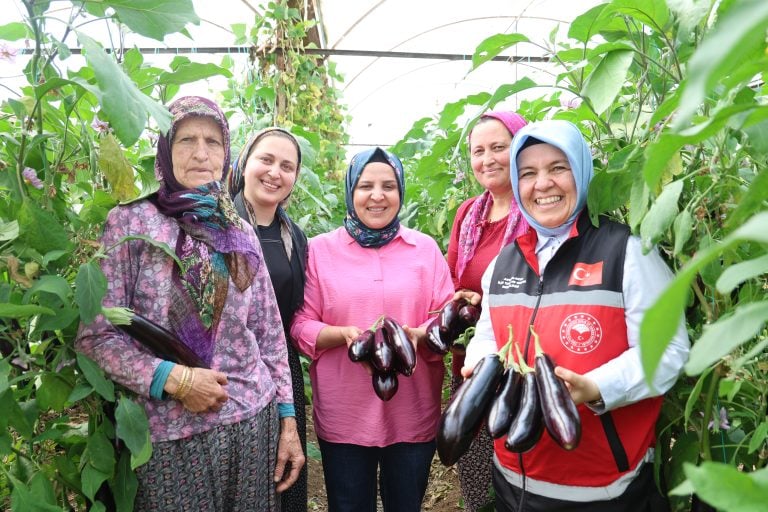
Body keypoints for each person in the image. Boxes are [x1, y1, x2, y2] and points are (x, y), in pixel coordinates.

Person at [76, 96, 305, 511]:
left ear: (227, 152)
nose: (201, 153)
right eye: (186, 140)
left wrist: (288, 421)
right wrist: (175, 380)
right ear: (164, 147)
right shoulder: (131, 223)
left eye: (213, 142)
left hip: (252, 421)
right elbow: (96, 336)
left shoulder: (238, 230)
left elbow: (269, 334)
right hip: (169, 433)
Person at [462, 119, 690, 511]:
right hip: (511, 480)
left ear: (582, 172)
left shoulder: (627, 253)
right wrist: (479, 363)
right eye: (528, 173)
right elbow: (488, 333)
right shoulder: (503, 262)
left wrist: (597, 387)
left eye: (558, 168)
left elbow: (669, 349)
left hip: (603, 493)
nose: (543, 184)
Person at [290, 147, 455, 512]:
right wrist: (343, 335)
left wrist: (419, 335)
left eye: (388, 186)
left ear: (401, 192)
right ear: (351, 191)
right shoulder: (319, 251)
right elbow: (301, 324)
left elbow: (445, 316)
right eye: (366, 186)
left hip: (412, 412)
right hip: (344, 414)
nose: (377, 195)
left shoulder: (424, 249)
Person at [446, 110, 529, 511]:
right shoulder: (468, 214)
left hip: (523, 363)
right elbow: (448, 279)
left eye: (499, 146)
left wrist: (495, 297)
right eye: (479, 151)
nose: (488, 158)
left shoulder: (538, 210)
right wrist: (460, 297)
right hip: (470, 362)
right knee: (476, 473)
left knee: (524, 463)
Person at [228, 127, 309, 512]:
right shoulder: (215, 226)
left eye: (287, 165)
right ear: (244, 163)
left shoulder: (295, 236)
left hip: (282, 369)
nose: (275, 172)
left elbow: (296, 313)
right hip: (227, 372)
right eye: (266, 160)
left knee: (285, 478)